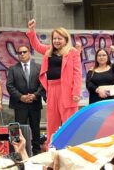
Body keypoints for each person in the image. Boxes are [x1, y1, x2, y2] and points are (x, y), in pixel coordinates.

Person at [26, 19, 82, 147]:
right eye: (54, 38)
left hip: (67, 90)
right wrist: (32, 30)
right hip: (52, 89)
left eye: (59, 38)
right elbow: (36, 45)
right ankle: (51, 148)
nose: (56, 41)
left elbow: (77, 73)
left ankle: (70, 147)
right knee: (52, 121)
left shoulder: (72, 52)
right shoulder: (49, 51)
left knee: (69, 122)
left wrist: (76, 92)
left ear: (66, 39)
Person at [6, 45, 43, 155]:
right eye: (19, 52)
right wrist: (21, 97)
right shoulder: (13, 69)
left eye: (24, 52)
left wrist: (35, 95)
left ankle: (36, 152)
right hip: (20, 105)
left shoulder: (39, 67)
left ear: (29, 53)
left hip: (35, 103)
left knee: (35, 129)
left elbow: (43, 85)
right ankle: (19, 153)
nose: (21, 54)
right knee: (19, 129)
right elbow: (9, 86)